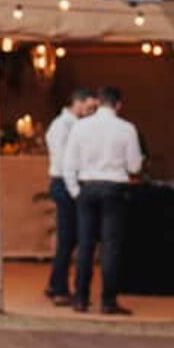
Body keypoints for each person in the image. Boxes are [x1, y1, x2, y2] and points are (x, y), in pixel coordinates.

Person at [62, 85, 145, 316]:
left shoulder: (80, 127)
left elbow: (70, 163)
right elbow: (134, 166)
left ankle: (80, 298)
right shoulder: (127, 129)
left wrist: (75, 191)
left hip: (87, 188)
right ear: (118, 105)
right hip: (114, 188)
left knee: (85, 245)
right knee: (111, 247)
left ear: (98, 102)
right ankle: (108, 301)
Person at [44, 88, 99, 305]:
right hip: (64, 182)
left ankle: (55, 283)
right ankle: (59, 290)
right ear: (78, 102)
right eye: (90, 107)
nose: (92, 111)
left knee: (71, 237)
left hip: (71, 182)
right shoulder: (61, 126)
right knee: (67, 238)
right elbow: (65, 158)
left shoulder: (75, 125)